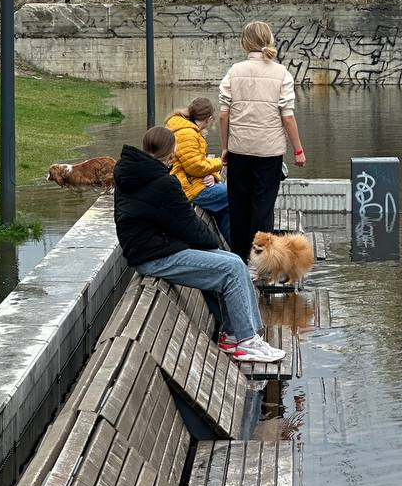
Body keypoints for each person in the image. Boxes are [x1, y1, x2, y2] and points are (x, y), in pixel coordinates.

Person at [113, 124, 284, 363]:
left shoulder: (130, 174)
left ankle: (236, 335)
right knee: (233, 268)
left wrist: (211, 248)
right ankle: (246, 343)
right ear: (171, 154)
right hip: (155, 257)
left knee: (234, 261)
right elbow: (190, 226)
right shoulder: (162, 182)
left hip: (150, 250)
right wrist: (211, 244)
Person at [219, 20, 306, 262]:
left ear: (245, 43)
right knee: (263, 209)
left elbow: (224, 114)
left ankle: (238, 260)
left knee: (238, 207)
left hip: (239, 150)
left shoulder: (234, 72)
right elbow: (287, 117)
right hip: (269, 153)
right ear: (269, 41)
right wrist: (298, 150)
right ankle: (259, 263)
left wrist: (225, 146)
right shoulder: (282, 74)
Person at [165, 97, 230, 242]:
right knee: (238, 194)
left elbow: (196, 162)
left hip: (195, 183)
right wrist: (221, 162)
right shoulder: (187, 133)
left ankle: (239, 250)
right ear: (208, 118)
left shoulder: (188, 129)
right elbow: (196, 166)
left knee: (225, 209)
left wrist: (213, 175)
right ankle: (244, 247)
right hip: (189, 188)